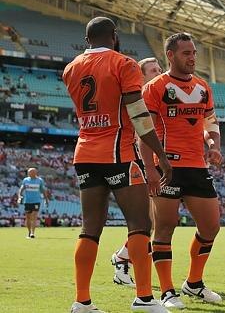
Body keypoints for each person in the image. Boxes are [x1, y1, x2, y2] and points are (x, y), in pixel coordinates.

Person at [63, 16, 172, 313]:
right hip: (118, 153)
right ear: (114, 35)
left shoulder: (71, 68)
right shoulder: (124, 64)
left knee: (90, 229)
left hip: (85, 153)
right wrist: (160, 154)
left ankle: (82, 301)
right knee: (140, 224)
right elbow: (138, 113)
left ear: (87, 40)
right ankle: (145, 299)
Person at [142, 33, 223, 310]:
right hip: (166, 166)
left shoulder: (203, 87)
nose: (192, 58)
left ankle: (194, 283)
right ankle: (166, 291)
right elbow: (145, 132)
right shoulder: (155, 87)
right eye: (186, 53)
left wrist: (213, 145)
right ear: (171, 56)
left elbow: (210, 122)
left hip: (197, 166)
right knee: (165, 227)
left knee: (211, 226)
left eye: (194, 53)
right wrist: (150, 169)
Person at [111, 57, 164, 287]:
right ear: (141, 76)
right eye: (154, 70)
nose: (159, 72)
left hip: (152, 162)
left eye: (160, 69)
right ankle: (123, 258)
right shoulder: (138, 98)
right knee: (149, 221)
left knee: (151, 221)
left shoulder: (159, 95)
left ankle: (123, 259)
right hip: (138, 162)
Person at [17, 167, 49, 239]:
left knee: (34, 217)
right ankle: (29, 232)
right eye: (29, 172)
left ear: (35, 173)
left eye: (31, 172)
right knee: (28, 218)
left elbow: (43, 190)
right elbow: (21, 189)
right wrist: (19, 196)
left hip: (36, 201)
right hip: (27, 201)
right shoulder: (25, 180)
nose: (30, 174)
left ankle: (32, 233)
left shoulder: (40, 180)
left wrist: (46, 199)